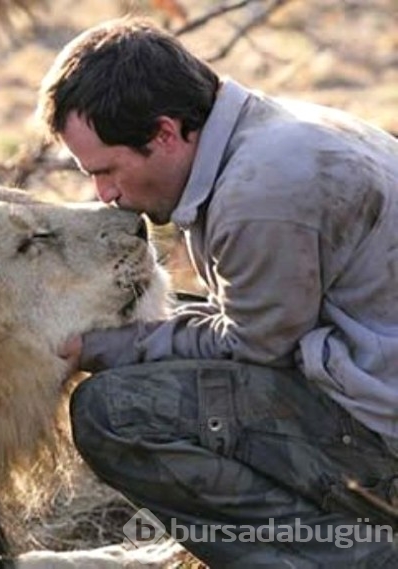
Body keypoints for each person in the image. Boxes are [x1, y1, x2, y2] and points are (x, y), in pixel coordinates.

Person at [36, 17, 398, 568]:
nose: (104, 194)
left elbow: (253, 347)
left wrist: (98, 349)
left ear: (164, 133)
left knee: (116, 411)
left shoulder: (259, 193)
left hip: (385, 442)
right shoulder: (271, 134)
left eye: (108, 170)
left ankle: (352, 555)